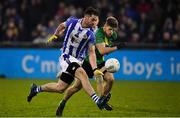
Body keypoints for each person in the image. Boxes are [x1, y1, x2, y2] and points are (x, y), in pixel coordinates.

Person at [27, 7, 109, 113]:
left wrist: (95, 69)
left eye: (96, 20)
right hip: (66, 57)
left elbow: (92, 52)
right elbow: (62, 25)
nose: (94, 23)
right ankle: (97, 101)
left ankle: (36, 89)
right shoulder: (72, 21)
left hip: (79, 61)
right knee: (82, 73)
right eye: (93, 19)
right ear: (86, 17)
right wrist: (55, 35)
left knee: (60, 88)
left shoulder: (91, 34)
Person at [56, 16, 124, 116]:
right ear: (105, 26)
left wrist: (110, 47)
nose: (111, 32)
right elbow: (101, 50)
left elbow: (103, 50)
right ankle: (63, 102)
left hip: (100, 61)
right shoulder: (98, 34)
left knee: (110, 79)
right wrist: (116, 47)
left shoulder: (113, 35)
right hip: (88, 63)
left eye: (113, 30)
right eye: (110, 29)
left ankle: (102, 100)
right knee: (76, 87)